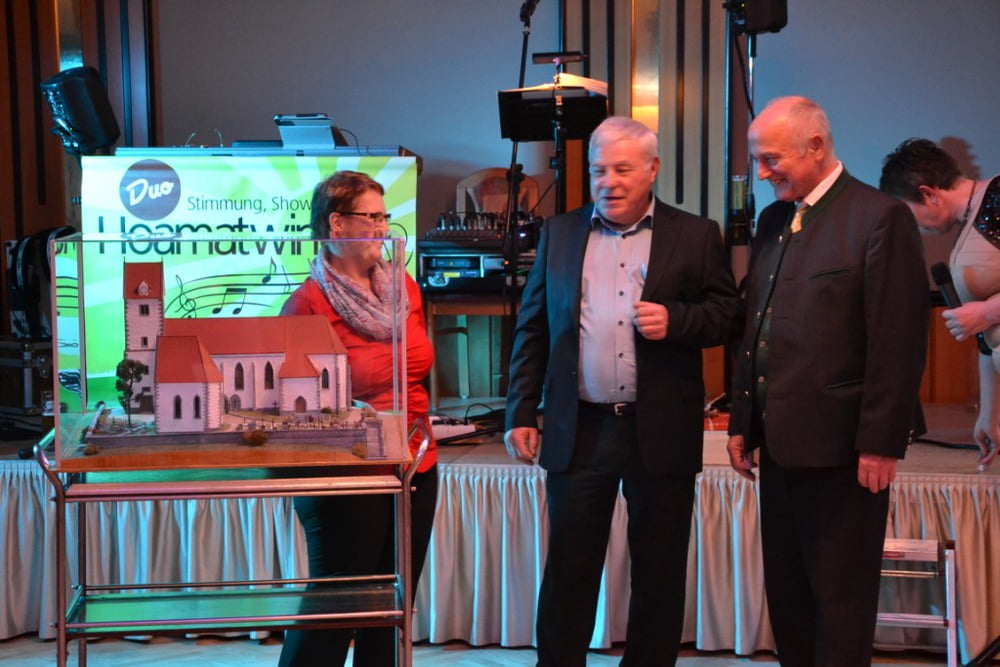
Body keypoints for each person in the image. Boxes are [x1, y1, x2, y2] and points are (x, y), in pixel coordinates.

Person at [504, 115, 739, 666]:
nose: (607, 181)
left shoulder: (695, 234)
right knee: (569, 570)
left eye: (622, 170)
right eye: (598, 170)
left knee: (658, 571)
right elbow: (534, 328)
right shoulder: (561, 233)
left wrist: (677, 320)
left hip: (659, 428)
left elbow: (729, 315)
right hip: (580, 427)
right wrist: (520, 410)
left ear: (652, 169)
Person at [726, 96, 929, 667]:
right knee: (789, 599)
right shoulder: (773, 220)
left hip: (845, 452)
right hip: (779, 448)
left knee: (840, 605)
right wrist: (743, 422)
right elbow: (755, 327)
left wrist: (882, 442)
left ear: (815, 146)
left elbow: (897, 339)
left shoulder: (879, 216)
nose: (761, 173)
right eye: (758, 160)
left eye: (771, 159)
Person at [277, 170, 438, 666]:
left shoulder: (403, 288)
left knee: (390, 614)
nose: (383, 228)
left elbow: (417, 368)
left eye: (386, 217)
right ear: (337, 224)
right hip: (345, 472)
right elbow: (293, 403)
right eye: (372, 217)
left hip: (415, 463)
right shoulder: (307, 303)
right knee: (336, 611)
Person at [880, 138, 1000, 471]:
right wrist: (990, 415)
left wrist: (987, 312)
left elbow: (986, 316)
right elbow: (987, 340)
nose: (916, 227)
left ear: (929, 194)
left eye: (911, 215)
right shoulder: (970, 220)